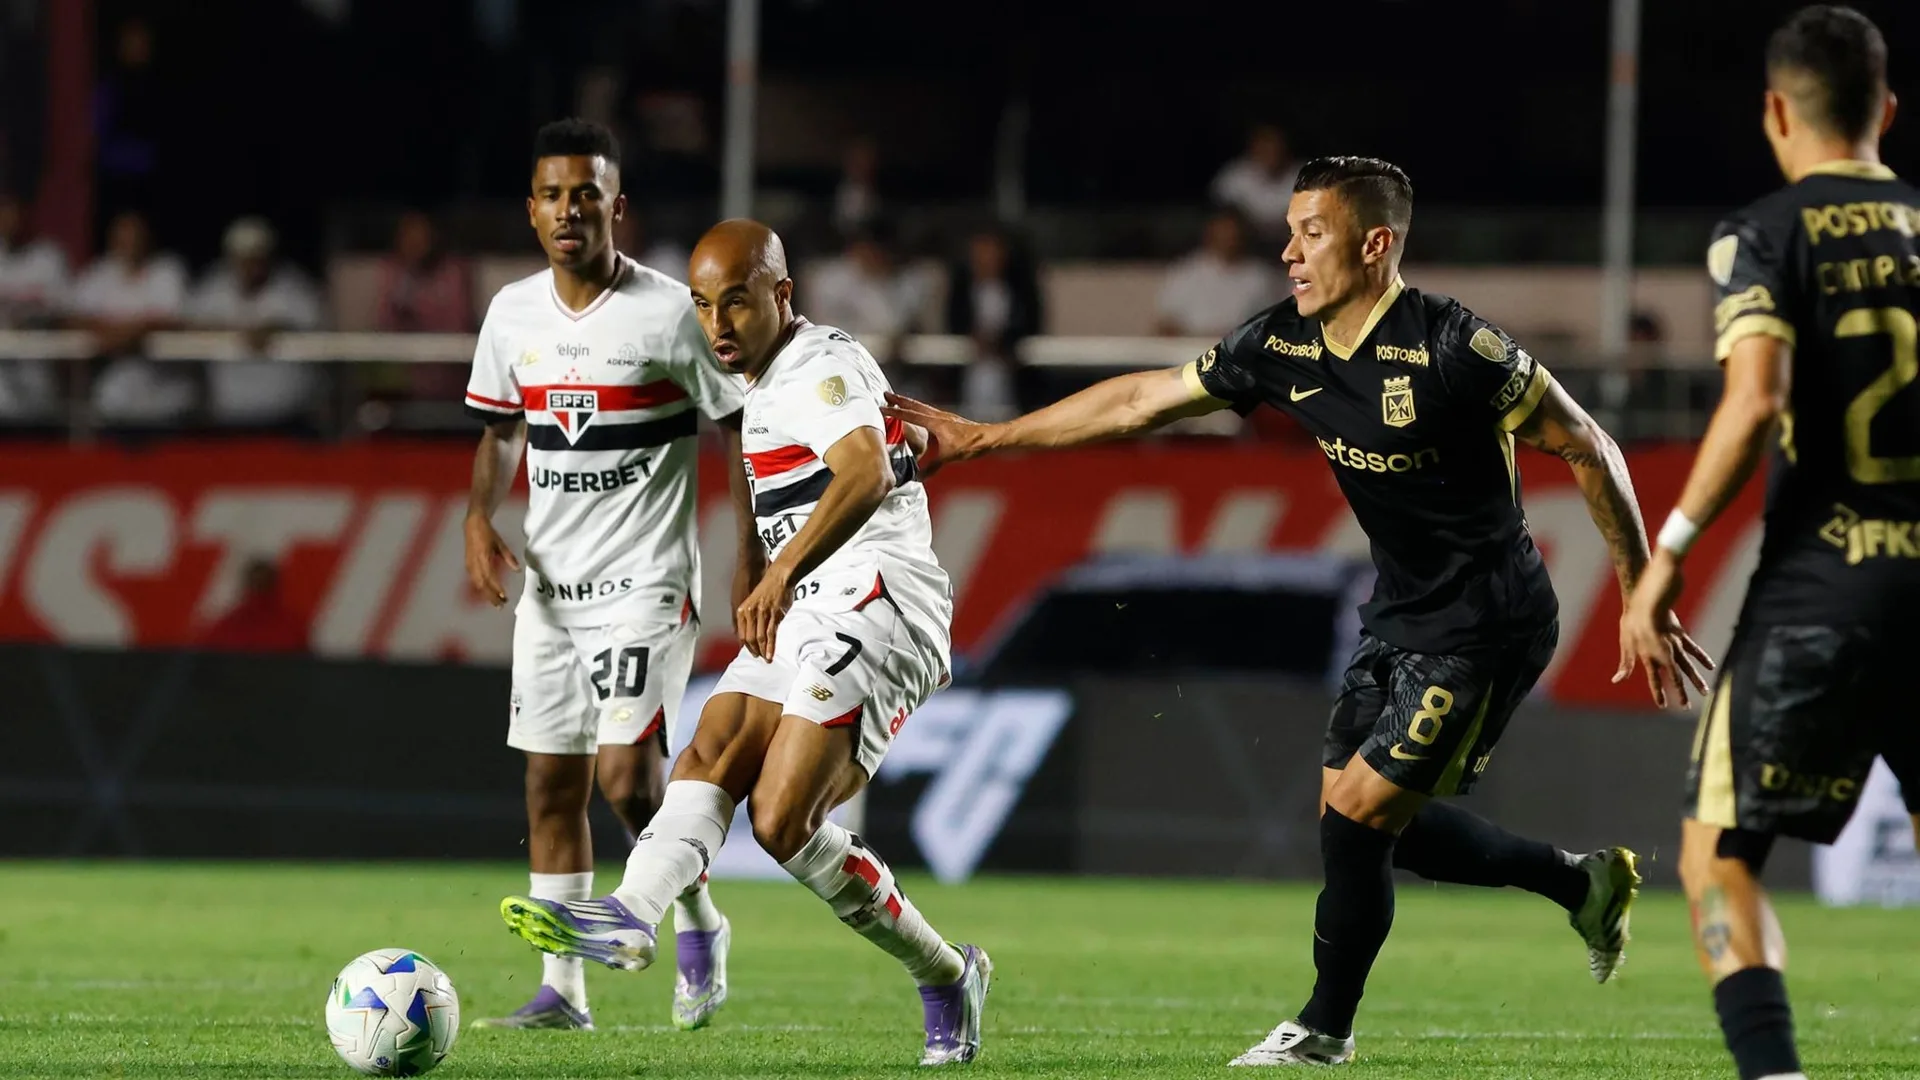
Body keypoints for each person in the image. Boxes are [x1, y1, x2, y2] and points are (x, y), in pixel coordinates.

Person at [886, 156, 1712, 1068]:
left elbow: (1591, 447)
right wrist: (987, 438)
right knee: (1361, 825)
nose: (1288, 252)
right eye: (1289, 231)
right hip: (1398, 612)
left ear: (1376, 244)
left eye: (1310, 233)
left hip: (1489, 620)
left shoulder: (1454, 348)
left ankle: (1323, 1029)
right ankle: (1578, 884)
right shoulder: (1283, 345)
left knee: (1356, 818)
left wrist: (1644, 590)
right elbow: (1143, 398)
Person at [498, 219, 991, 1067]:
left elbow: (866, 471)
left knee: (780, 818)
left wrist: (778, 568)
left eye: (736, 301)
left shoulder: (821, 362)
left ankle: (946, 973)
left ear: (781, 295)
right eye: (702, 305)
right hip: (811, 599)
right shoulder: (758, 384)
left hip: (880, 593)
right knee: (710, 752)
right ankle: (632, 913)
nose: (718, 323)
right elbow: (788, 495)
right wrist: (760, 568)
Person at [1621, 9, 1920, 1080]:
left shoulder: (1764, 230)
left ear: (1774, 111)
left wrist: (1668, 555)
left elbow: (1753, 403)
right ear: (1886, 110)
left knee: (1718, 853)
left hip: (1822, 587)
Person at [461, 119, 758, 1034]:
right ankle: (563, 991)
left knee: (629, 775)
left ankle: (701, 920)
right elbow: (503, 428)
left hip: (645, 579)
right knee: (551, 784)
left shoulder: (673, 310)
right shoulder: (512, 314)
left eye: (585, 193)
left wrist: (756, 562)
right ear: (531, 210)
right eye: (551, 194)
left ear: (615, 206)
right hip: (552, 588)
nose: (568, 210)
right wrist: (480, 512)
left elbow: (737, 427)